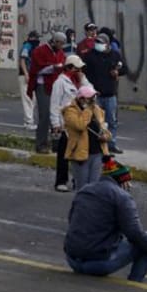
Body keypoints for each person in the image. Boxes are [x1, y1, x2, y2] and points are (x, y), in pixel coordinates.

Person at [64, 158, 147, 282]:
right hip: (97, 264)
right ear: (122, 181)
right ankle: (136, 282)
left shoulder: (84, 190)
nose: (129, 186)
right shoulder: (122, 197)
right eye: (128, 182)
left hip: (72, 260)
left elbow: (72, 220)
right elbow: (135, 234)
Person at [50, 55, 91, 192]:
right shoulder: (60, 83)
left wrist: (82, 79)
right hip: (65, 124)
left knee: (79, 154)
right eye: (76, 68)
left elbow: (90, 92)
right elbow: (55, 104)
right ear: (69, 67)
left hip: (79, 123)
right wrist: (56, 123)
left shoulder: (79, 81)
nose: (79, 71)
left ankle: (77, 180)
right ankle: (61, 181)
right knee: (64, 155)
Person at [81, 33, 125, 154]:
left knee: (112, 121)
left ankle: (112, 144)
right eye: (97, 42)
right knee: (96, 121)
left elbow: (123, 68)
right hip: (95, 94)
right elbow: (83, 71)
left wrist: (117, 72)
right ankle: (97, 145)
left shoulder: (115, 55)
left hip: (110, 94)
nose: (98, 45)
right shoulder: (89, 56)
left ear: (107, 44)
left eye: (101, 43)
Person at [63, 85, 111, 190]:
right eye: (90, 98)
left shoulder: (97, 110)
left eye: (94, 97)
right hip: (80, 155)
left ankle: (92, 206)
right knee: (83, 188)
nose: (93, 101)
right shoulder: (70, 111)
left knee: (94, 187)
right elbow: (80, 126)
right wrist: (88, 111)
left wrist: (106, 136)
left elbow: (104, 128)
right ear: (81, 99)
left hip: (97, 153)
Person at [28, 31, 67, 154]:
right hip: (43, 85)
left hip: (56, 86)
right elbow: (36, 69)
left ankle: (56, 144)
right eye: (60, 44)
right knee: (44, 115)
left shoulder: (60, 53)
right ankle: (41, 144)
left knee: (57, 115)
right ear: (54, 41)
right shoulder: (40, 51)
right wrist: (53, 67)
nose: (61, 47)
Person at [19, 31, 40, 131]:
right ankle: (28, 122)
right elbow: (22, 60)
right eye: (35, 38)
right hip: (25, 76)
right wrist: (26, 73)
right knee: (28, 98)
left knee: (32, 99)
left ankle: (28, 121)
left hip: (31, 75)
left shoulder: (32, 47)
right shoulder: (27, 46)